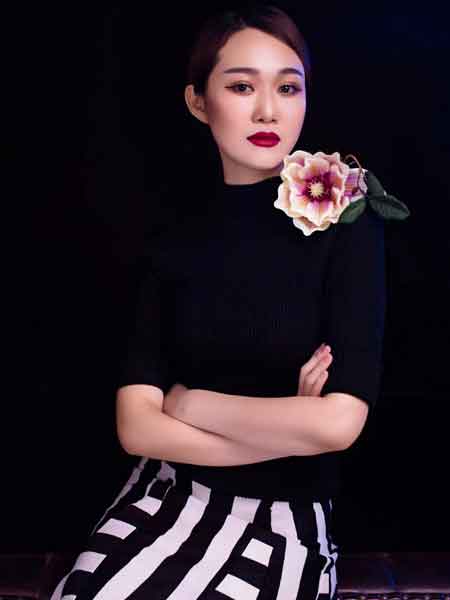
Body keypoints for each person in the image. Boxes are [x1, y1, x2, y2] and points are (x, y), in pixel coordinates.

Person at [50, 4, 386, 599]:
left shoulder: (346, 221)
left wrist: (190, 403)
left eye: (288, 87)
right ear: (199, 101)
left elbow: (339, 423)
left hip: (284, 524)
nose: (267, 111)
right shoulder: (173, 236)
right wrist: (288, 427)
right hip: (163, 499)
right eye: (241, 86)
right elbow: (136, 427)